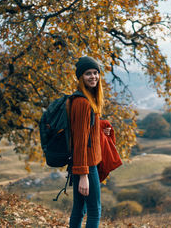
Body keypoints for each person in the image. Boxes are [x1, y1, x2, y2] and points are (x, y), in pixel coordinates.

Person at [69, 56, 104, 228]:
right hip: (86, 166)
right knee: (94, 210)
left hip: (83, 164)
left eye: (96, 73)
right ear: (81, 77)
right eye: (88, 73)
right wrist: (83, 175)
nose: (93, 77)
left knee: (79, 208)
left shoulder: (87, 99)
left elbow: (86, 130)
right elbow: (80, 141)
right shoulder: (83, 103)